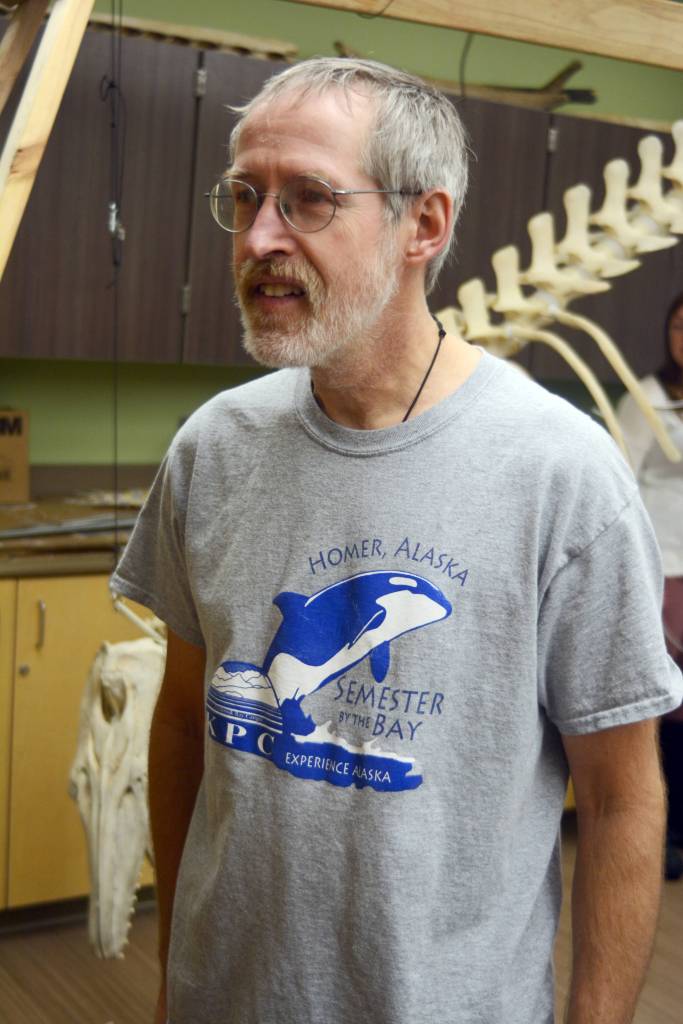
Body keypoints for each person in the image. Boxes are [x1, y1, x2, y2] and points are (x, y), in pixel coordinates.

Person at [111, 59, 683, 1024]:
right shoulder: (214, 446)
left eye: (308, 199)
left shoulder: (563, 473)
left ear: (423, 225)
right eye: (245, 196)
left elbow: (620, 797)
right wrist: (175, 969)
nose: (259, 237)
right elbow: (182, 723)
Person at [616, 292, 683, 880]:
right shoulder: (646, 398)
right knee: (667, 706)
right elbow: (619, 480)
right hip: (663, 566)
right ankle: (665, 833)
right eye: (679, 325)